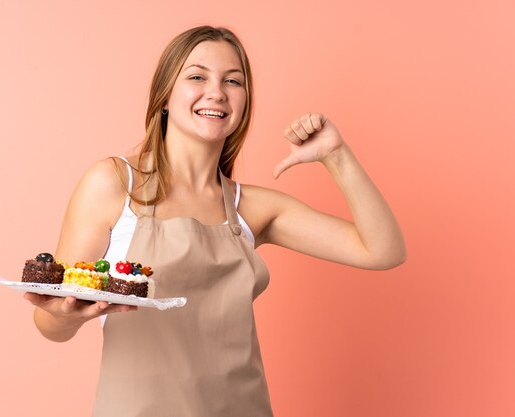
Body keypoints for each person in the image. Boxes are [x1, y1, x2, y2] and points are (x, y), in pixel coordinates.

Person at [24, 25, 406, 416]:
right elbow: (50, 323)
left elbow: (383, 250)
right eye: (197, 77)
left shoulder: (251, 208)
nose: (217, 92)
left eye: (233, 81)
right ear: (165, 95)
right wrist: (64, 316)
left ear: (244, 102)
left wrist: (336, 155)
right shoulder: (114, 185)